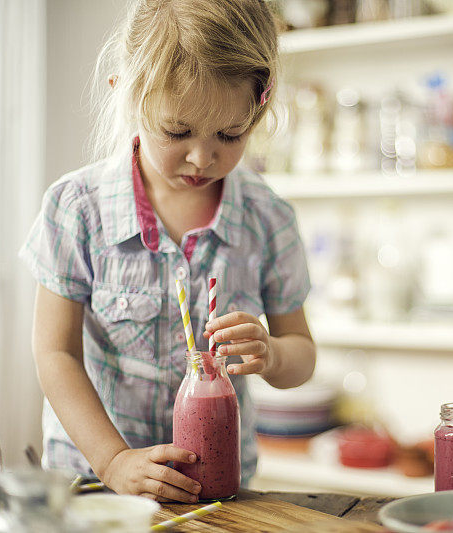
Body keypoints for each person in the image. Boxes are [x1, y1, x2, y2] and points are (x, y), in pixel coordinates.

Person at [18, 0, 315, 504]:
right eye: (177, 131)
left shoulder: (269, 219)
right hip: (91, 487)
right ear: (129, 100)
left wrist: (272, 353)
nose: (202, 157)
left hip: (217, 494)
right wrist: (113, 460)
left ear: (259, 111)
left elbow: (302, 355)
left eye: (230, 134)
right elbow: (56, 352)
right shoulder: (76, 209)